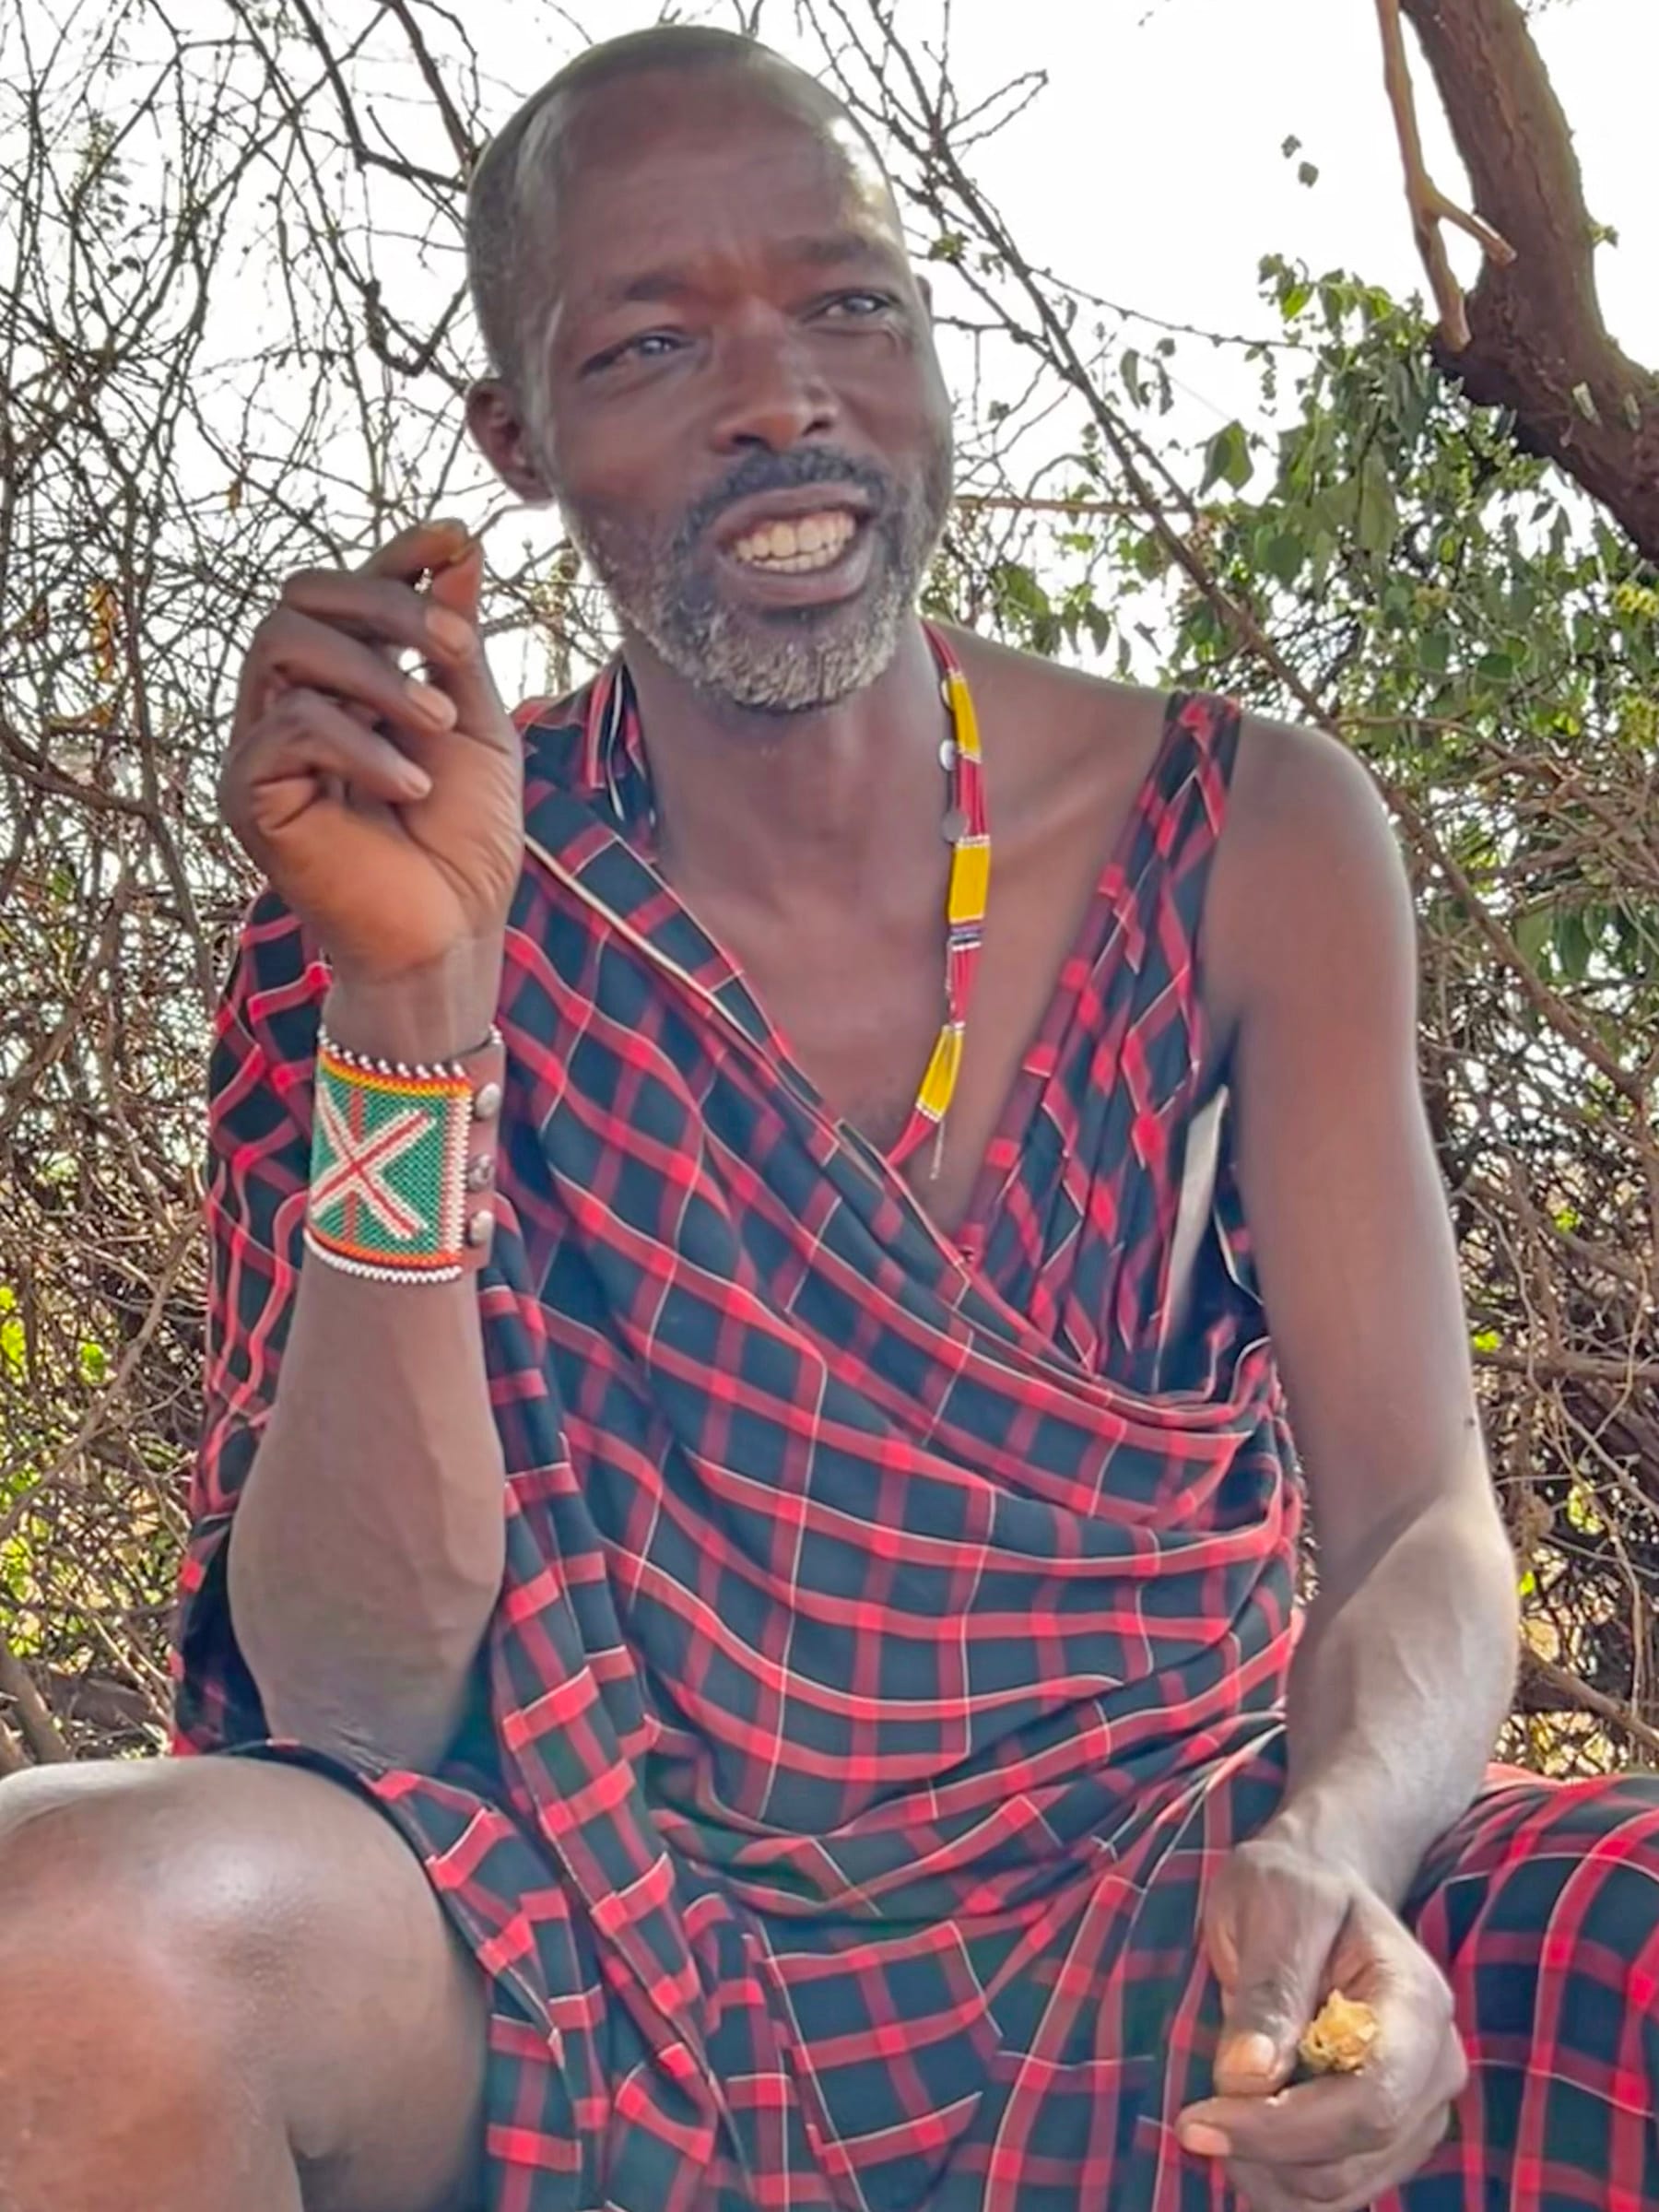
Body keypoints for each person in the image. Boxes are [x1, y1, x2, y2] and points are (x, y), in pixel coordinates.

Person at [0, 24, 1653, 2212]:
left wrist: (1339, 1844)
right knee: (72, 1941)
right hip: (591, 1952)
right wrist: (413, 999)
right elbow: (359, 1702)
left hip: (1172, 1908)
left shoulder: (1250, 841)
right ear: (518, 437)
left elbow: (1423, 1520)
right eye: (654, 343)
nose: (781, 397)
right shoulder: (396, 905)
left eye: (848, 305)